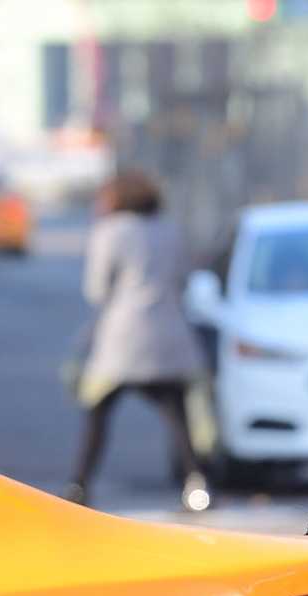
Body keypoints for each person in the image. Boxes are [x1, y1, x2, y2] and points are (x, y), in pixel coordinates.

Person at [65, 170, 210, 512]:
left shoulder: (109, 233)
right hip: (168, 336)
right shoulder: (171, 230)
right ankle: (197, 484)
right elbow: (185, 280)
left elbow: (96, 290)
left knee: (98, 411)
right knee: (176, 412)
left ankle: (80, 485)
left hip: (122, 338)